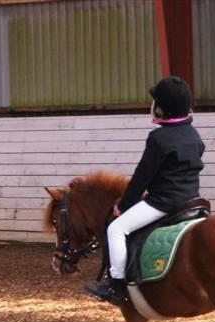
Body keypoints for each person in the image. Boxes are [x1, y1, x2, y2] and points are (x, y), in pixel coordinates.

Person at [85, 76, 205, 304]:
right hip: (192, 200)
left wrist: (122, 205)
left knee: (116, 229)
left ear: (161, 108)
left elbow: (142, 178)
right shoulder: (193, 134)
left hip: (164, 203)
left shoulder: (158, 138)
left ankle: (116, 285)